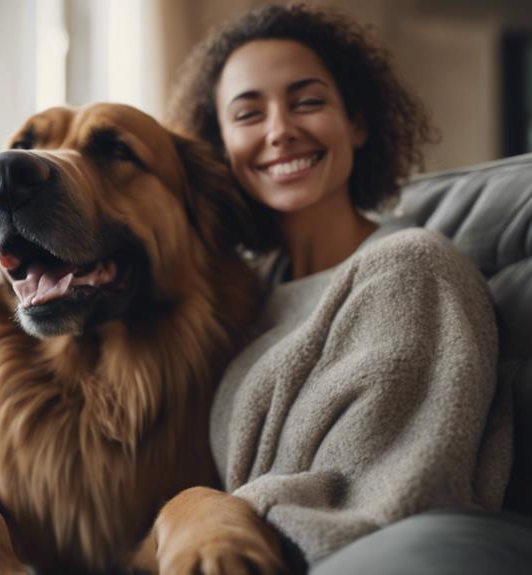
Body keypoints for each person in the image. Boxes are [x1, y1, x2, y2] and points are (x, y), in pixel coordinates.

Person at [166, 3, 515, 571]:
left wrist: (216, 516)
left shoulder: (412, 269)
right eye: (248, 114)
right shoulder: (239, 297)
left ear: (356, 121)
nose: (280, 130)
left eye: (307, 102)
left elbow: (388, 496)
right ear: (220, 146)